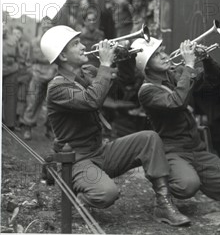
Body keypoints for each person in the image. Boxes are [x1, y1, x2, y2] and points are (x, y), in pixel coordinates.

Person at [41, 25, 190, 226]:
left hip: (99, 152)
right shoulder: (57, 87)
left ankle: (163, 204)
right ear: (64, 56)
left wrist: (124, 56)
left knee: (149, 138)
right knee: (107, 193)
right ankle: (78, 202)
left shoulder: (86, 72)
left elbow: (122, 82)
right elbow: (91, 100)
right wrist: (104, 63)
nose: (84, 46)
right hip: (76, 160)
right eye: (76, 44)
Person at [133, 37, 220, 226]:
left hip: (198, 150)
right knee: (188, 185)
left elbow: (213, 80)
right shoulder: (147, 91)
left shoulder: (176, 74)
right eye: (157, 55)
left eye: (163, 50)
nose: (165, 56)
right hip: (173, 152)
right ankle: (162, 199)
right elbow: (176, 102)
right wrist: (189, 65)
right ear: (146, 66)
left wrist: (206, 59)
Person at [20, 17, 56, 140]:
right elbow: (28, 60)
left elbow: (59, 59)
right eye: (44, 24)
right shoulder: (34, 42)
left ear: (51, 27)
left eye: (49, 24)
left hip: (52, 74)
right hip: (37, 74)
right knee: (33, 102)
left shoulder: (56, 43)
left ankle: (49, 129)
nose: (47, 27)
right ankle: (28, 127)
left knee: (53, 103)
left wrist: (56, 72)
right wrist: (32, 71)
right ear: (41, 26)